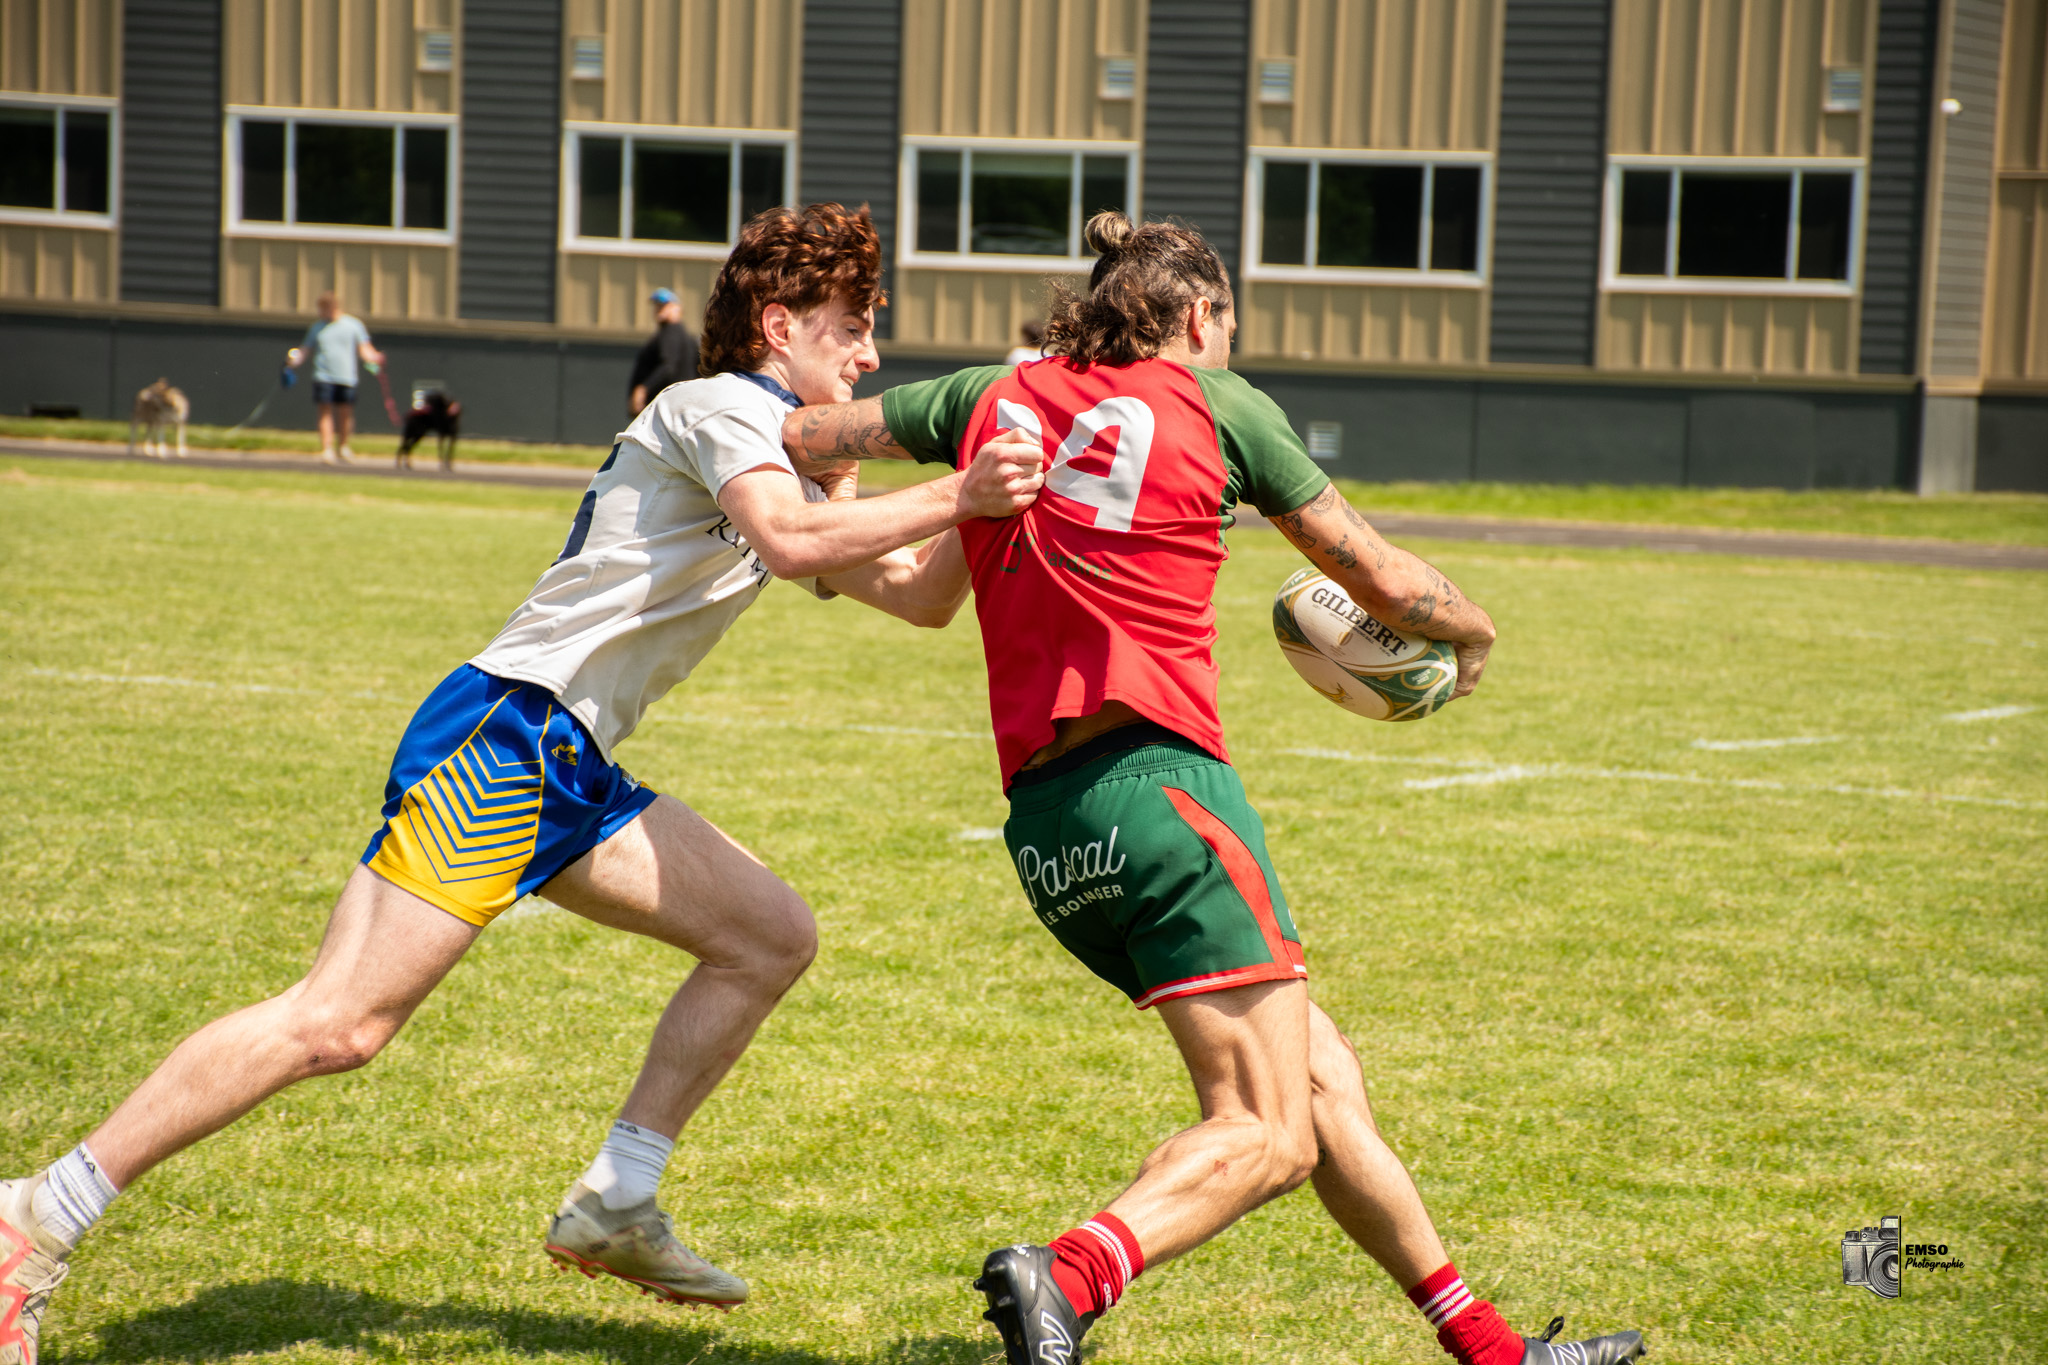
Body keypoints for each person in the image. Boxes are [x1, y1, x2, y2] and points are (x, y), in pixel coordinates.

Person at [0, 203, 1045, 1365]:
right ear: (777, 321)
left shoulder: (789, 446)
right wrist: (962, 487)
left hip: (569, 763)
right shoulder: (716, 407)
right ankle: (35, 1215)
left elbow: (915, 594)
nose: (866, 360)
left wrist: (1009, 455)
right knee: (338, 1021)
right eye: (849, 329)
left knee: (768, 934)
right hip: (506, 740)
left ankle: (615, 1200)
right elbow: (793, 541)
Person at [783, 213, 1647, 1365]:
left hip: (1049, 832)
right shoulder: (1219, 404)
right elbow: (1373, 572)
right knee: (1268, 1133)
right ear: (1200, 317)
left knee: (1318, 1079)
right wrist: (1472, 635)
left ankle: (1491, 1352)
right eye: (1227, 325)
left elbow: (803, 429)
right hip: (1162, 798)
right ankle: (1068, 1274)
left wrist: (827, 515)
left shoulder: (988, 394)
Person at [286, 291, 384, 464]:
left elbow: (365, 348)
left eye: (324, 309)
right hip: (323, 376)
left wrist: (374, 357)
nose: (321, 313)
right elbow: (306, 349)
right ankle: (327, 448)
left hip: (346, 376)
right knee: (325, 411)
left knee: (345, 412)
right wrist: (294, 362)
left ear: (334, 307)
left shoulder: (353, 325)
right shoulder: (317, 327)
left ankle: (344, 446)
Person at [629, 287, 701, 417]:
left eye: (664, 305)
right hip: (681, 407)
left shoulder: (670, 333)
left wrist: (643, 389)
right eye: (657, 306)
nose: (659, 309)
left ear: (678, 309)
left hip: (666, 407)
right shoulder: (686, 337)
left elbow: (668, 366)